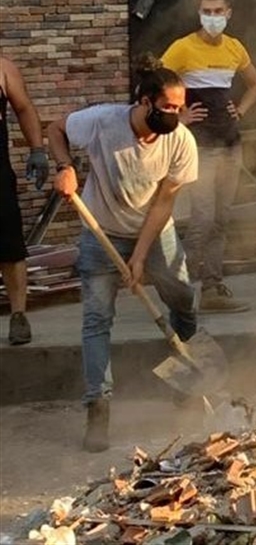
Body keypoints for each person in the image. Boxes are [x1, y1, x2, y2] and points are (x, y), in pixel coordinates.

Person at [47, 66, 198, 452]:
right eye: (167, 107)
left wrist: (141, 257)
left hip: (156, 233)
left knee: (182, 300)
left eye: (180, 108)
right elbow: (55, 128)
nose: (175, 115)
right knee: (97, 319)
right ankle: (98, 407)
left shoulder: (180, 140)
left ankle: (188, 378)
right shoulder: (101, 121)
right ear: (144, 102)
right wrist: (65, 168)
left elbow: (165, 201)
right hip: (102, 234)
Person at [161, 0, 256, 313]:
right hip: (201, 145)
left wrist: (242, 110)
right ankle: (187, 286)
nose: (212, 16)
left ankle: (213, 284)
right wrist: (179, 116)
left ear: (228, 13)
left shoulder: (235, 48)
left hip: (230, 143)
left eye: (218, 10)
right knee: (202, 218)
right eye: (206, 10)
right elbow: (153, 86)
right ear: (199, 13)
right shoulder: (182, 48)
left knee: (221, 218)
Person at [0, 55, 49, 346]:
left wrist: (37, 150)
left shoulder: (3, 69)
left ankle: (18, 315)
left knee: (9, 246)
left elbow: (24, 108)